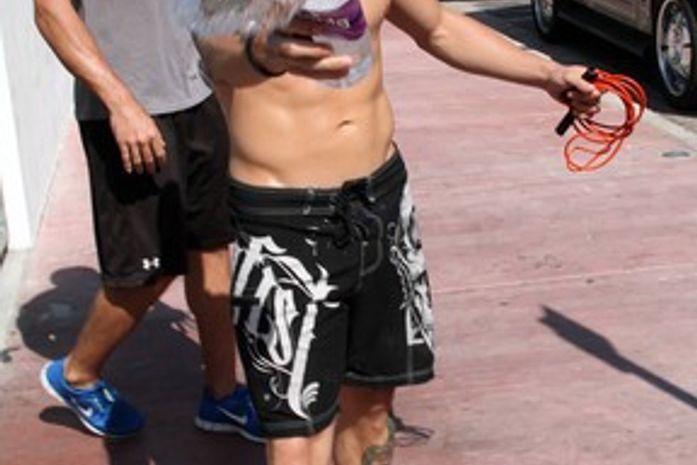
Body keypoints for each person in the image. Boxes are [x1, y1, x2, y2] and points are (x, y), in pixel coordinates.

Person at [196, 0, 601, 463]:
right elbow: (213, 49)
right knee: (300, 432)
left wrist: (548, 73)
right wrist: (262, 52)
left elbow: (439, 27)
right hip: (284, 224)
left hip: (381, 202)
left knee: (373, 409)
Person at [33, 0, 262, 440]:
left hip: (195, 95)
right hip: (127, 114)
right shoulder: (36, 310)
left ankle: (222, 395)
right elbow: (49, 12)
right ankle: (77, 374)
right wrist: (121, 105)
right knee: (146, 272)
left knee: (211, 250)